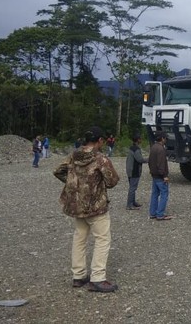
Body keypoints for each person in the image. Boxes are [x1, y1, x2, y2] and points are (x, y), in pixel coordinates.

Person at [53, 126, 120, 293]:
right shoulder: (100, 159)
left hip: (76, 206)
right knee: (102, 240)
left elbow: (58, 171)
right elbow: (112, 181)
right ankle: (97, 277)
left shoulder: (73, 156)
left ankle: (79, 275)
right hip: (96, 207)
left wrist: (74, 184)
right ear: (99, 141)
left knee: (79, 238)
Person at [148, 131, 173, 220]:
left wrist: (151, 172)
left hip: (154, 175)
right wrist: (164, 176)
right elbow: (161, 164)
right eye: (165, 138)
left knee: (154, 194)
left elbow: (150, 161)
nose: (166, 139)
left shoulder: (153, 147)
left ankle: (152, 213)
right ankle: (160, 214)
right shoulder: (161, 149)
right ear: (162, 138)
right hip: (160, 176)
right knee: (164, 194)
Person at [125, 132, 147, 210]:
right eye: (140, 138)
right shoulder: (136, 149)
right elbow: (140, 159)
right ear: (138, 140)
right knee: (132, 188)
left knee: (132, 187)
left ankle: (133, 202)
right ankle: (129, 205)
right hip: (134, 170)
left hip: (129, 169)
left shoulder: (131, 147)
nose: (141, 140)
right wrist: (149, 160)